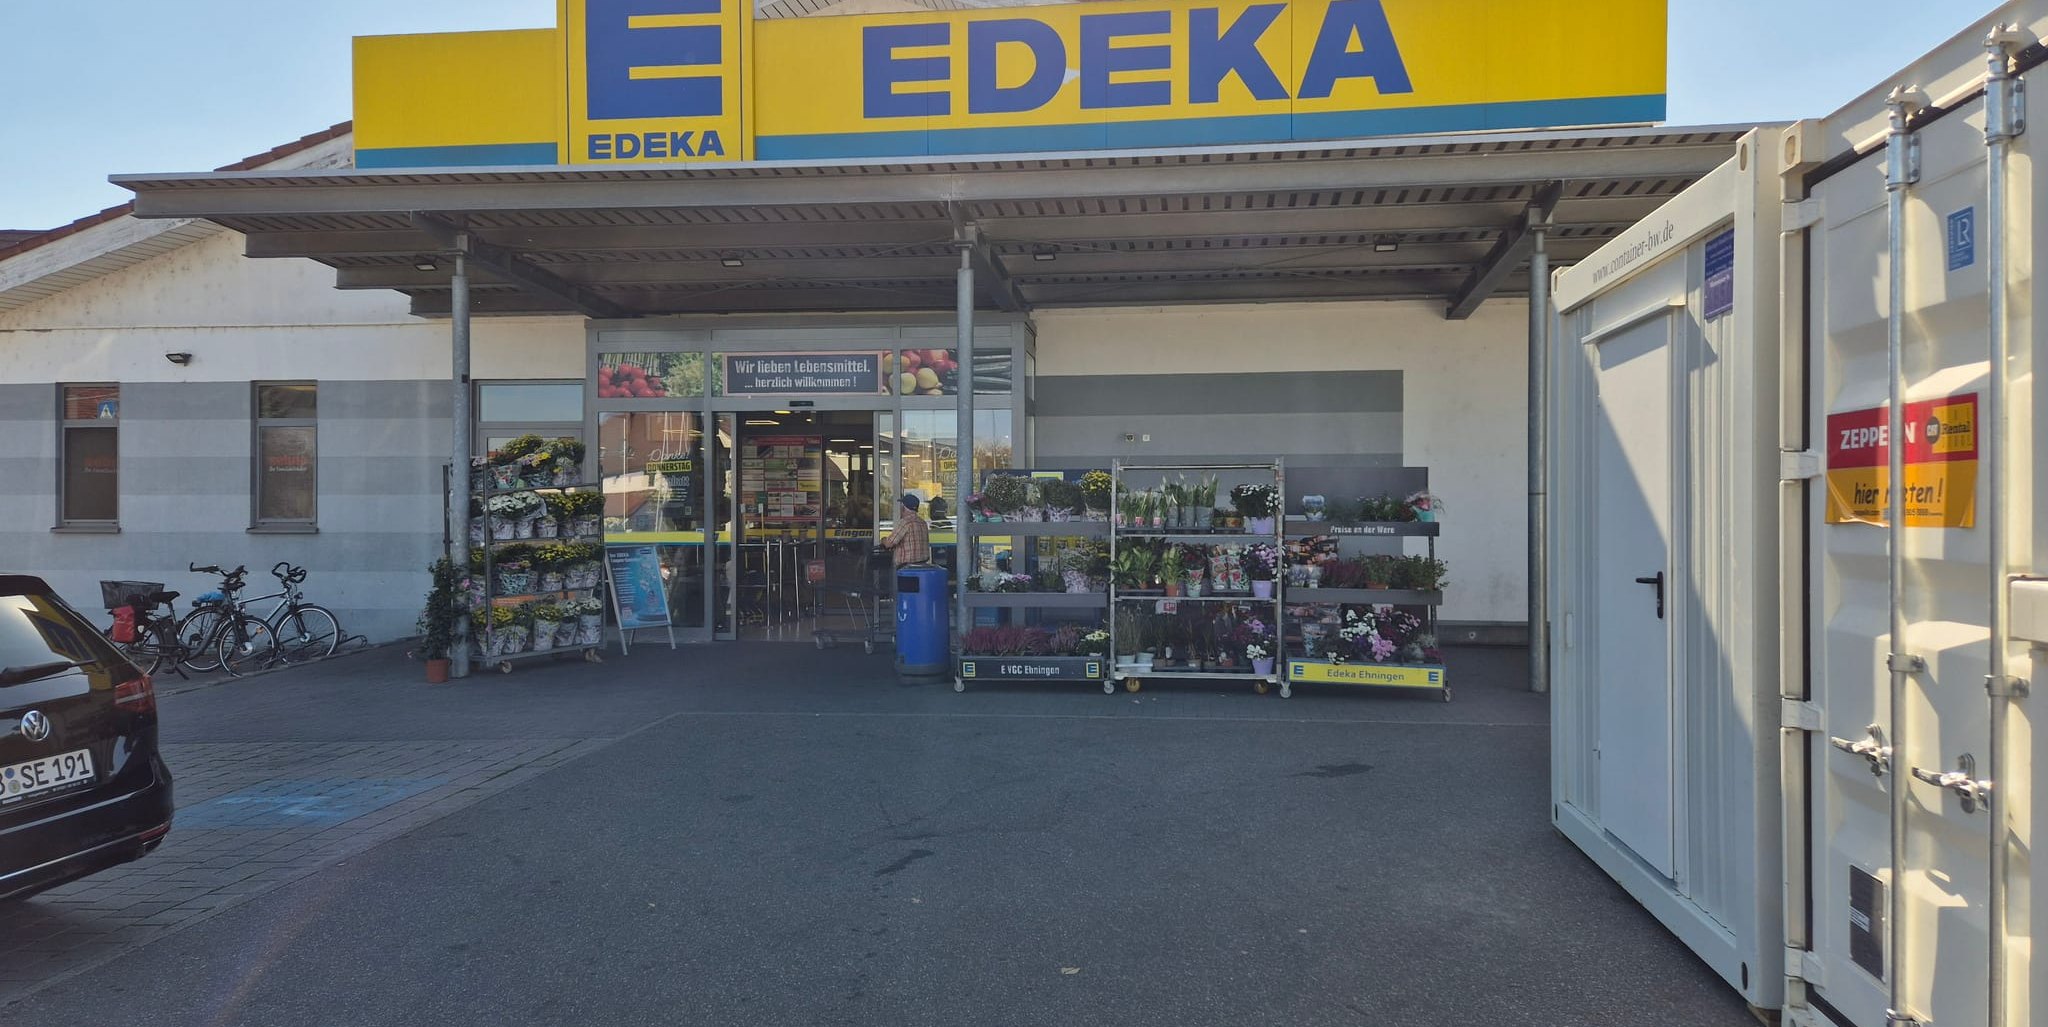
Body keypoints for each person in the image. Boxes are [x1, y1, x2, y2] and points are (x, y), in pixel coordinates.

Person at [881, 493, 931, 567]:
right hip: (923, 564)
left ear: (903, 508)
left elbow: (889, 544)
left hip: (906, 567)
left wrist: (883, 540)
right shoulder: (923, 522)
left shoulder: (905, 522)